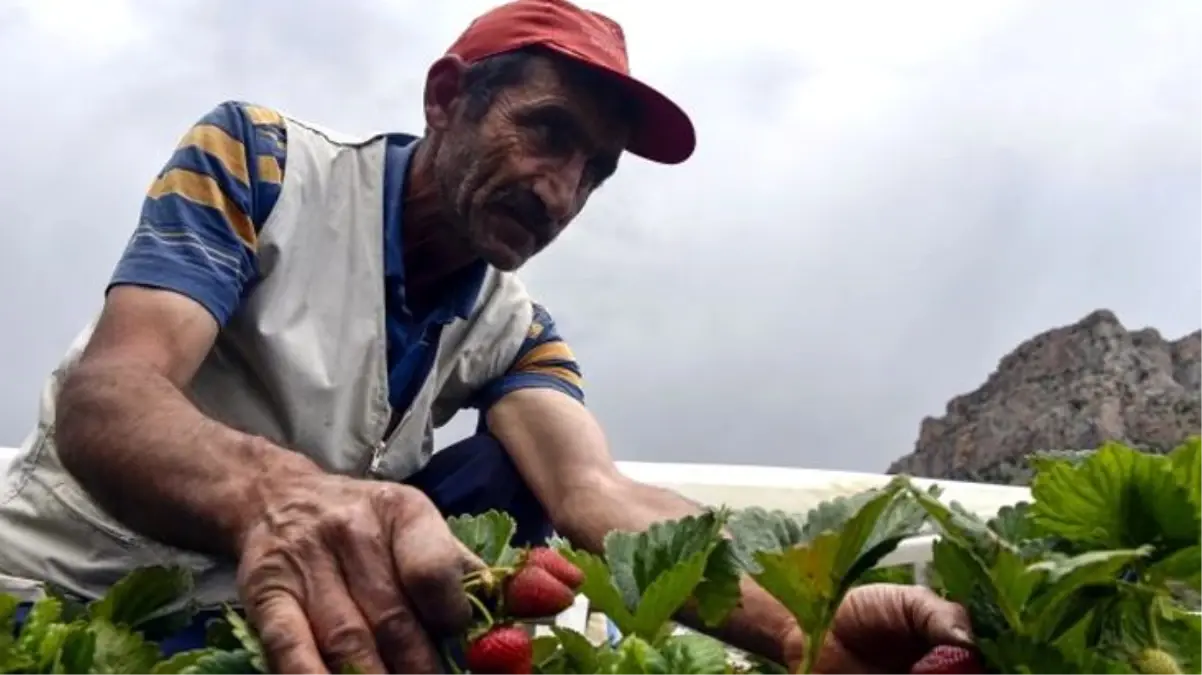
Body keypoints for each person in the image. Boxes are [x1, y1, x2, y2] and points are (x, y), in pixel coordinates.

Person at [0, 0, 973, 672]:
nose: (560, 191)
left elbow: (595, 493)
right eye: (546, 132)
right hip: (64, 585)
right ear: (445, 99)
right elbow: (111, 394)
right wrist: (279, 499)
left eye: (593, 171)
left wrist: (806, 635)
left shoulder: (516, 331)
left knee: (511, 483)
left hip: (264, 626)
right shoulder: (260, 162)